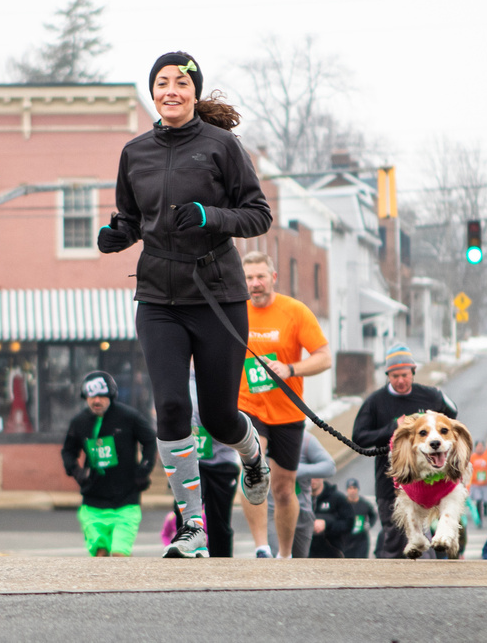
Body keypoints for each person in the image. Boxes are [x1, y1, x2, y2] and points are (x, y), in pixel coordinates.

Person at [97, 52, 273, 557]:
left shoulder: (222, 146)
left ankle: (250, 451)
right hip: (158, 298)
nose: (170, 89)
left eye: (181, 82)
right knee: (172, 406)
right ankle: (193, 528)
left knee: (218, 416)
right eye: (161, 82)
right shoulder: (135, 152)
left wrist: (211, 217)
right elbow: (132, 219)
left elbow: (257, 215)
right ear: (151, 92)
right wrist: (116, 235)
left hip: (217, 295)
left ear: (195, 92)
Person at [237, 251, 331, 560]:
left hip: (287, 411)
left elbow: (324, 357)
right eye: (249, 278)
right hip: (248, 405)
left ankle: (285, 554)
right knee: (255, 462)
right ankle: (262, 547)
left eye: (260, 276)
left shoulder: (294, 311)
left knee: (283, 488)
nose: (255, 283)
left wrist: (290, 369)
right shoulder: (235, 312)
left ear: (273, 277)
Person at [352, 343, 458, 558]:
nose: (400, 380)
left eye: (405, 375)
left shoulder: (430, 396)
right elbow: (359, 438)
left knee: (425, 535)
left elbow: (452, 415)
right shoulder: (375, 402)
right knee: (394, 536)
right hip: (389, 480)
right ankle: (393, 584)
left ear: (413, 372)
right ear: (387, 375)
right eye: (394, 376)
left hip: (428, 478)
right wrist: (393, 428)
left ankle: (427, 584)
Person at [61, 371, 156, 557]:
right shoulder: (79, 422)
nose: (96, 401)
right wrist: (76, 471)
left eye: (101, 396)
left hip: (126, 501)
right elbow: (68, 451)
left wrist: (144, 470)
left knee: (120, 554)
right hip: (93, 501)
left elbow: (150, 440)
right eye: (91, 396)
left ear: (111, 396)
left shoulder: (128, 417)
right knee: (100, 555)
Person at [184, 366, 241, 557]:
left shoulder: (225, 372)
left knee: (219, 522)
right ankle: (184, 565)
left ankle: (222, 566)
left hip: (222, 460)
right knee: (185, 519)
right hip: (190, 460)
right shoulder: (181, 375)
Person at [266, 429, 336, 558]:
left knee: (299, 562)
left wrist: (293, 471)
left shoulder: (306, 439)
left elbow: (330, 467)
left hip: (303, 512)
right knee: (278, 560)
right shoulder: (265, 438)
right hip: (273, 511)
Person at [308, 477, 354, 559]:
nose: (312, 480)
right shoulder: (299, 499)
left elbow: (349, 523)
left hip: (332, 552)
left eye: (315, 476)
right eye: (308, 477)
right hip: (305, 553)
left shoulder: (338, 498)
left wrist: (327, 524)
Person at [342, 478, 378, 559]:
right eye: (350, 488)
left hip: (361, 540)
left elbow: (373, 515)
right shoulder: (342, 504)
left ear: (358, 489)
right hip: (346, 540)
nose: (352, 491)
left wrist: (369, 524)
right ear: (347, 490)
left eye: (354, 488)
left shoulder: (364, 504)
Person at [469, 440, 487, 524]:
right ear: (475, 447)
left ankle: (485, 507)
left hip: (486, 483)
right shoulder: (472, 457)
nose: (480, 448)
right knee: (478, 500)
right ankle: (479, 517)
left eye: (481, 446)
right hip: (475, 483)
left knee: (485, 500)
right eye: (478, 446)